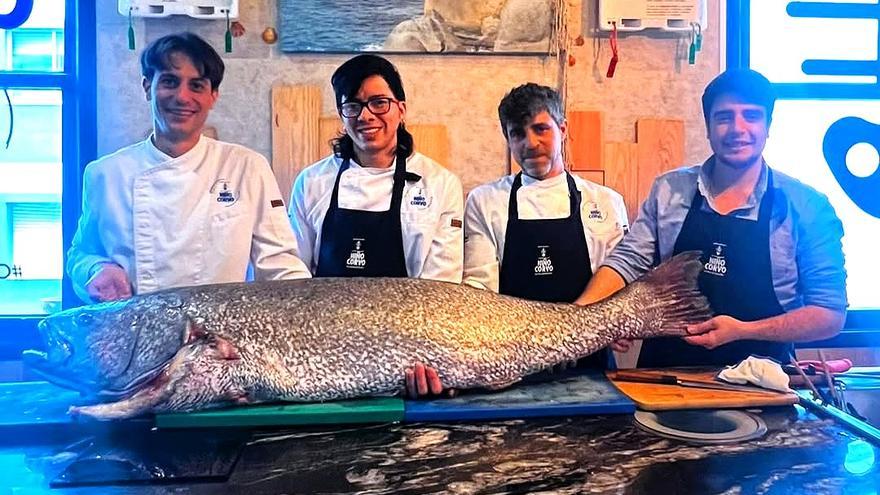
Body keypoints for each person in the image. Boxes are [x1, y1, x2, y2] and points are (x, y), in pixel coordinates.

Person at [576, 68, 848, 368]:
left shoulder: (808, 207)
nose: (738, 128)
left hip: (762, 386)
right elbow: (627, 262)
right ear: (708, 126)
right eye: (724, 117)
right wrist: (586, 318)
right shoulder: (669, 189)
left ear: (768, 125)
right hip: (664, 379)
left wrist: (743, 331)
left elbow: (829, 314)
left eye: (751, 115)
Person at [405, 83, 630, 398]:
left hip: (591, 365)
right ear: (507, 139)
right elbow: (478, 294)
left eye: (541, 129)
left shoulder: (605, 202)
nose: (531, 143)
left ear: (563, 129)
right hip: (510, 369)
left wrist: (613, 323)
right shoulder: (485, 201)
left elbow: (620, 280)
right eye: (517, 134)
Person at [68, 33, 310, 303]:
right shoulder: (106, 174)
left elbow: (280, 264)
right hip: (136, 332)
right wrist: (97, 269)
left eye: (196, 86)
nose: (182, 97)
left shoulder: (247, 167)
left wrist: (305, 312)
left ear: (213, 96)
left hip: (221, 337)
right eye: (170, 82)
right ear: (148, 87)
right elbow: (82, 252)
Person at [288, 54, 463, 281]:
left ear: (401, 110)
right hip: (326, 313)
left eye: (379, 103)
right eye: (353, 105)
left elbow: (442, 283)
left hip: (410, 314)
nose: (366, 115)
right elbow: (293, 268)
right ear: (342, 114)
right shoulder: (310, 182)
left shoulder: (441, 184)